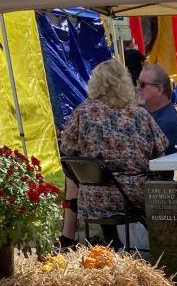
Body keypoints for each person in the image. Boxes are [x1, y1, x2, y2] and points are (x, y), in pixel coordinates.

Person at [59, 57, 167, 249]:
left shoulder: (82, 113)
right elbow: (160, 151)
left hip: (92, 200)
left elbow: (67, 154)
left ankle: (82, 240)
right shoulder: (139, 115)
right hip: (133, 196)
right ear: (125, 83)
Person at [137, 63, 177, 154]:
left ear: (159, 89)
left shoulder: (167, 121)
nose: (138, 88)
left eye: (142, 84)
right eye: (138, 82)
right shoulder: (144, 109)